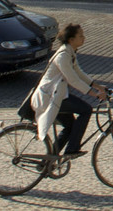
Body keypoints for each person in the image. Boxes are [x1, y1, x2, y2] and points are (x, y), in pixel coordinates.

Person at [30, 22, 107, 158]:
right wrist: (94, 94)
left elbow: (79, 73)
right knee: (86, 110)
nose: (84, 38)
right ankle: (72, 149)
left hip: (57, 95)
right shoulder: (63, 55)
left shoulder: (70, 52)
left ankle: (49, 160)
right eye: (80, 36)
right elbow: (73, 79)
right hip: (50, 97)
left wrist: (99, 87)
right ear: (71, 39)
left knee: (70, 125)